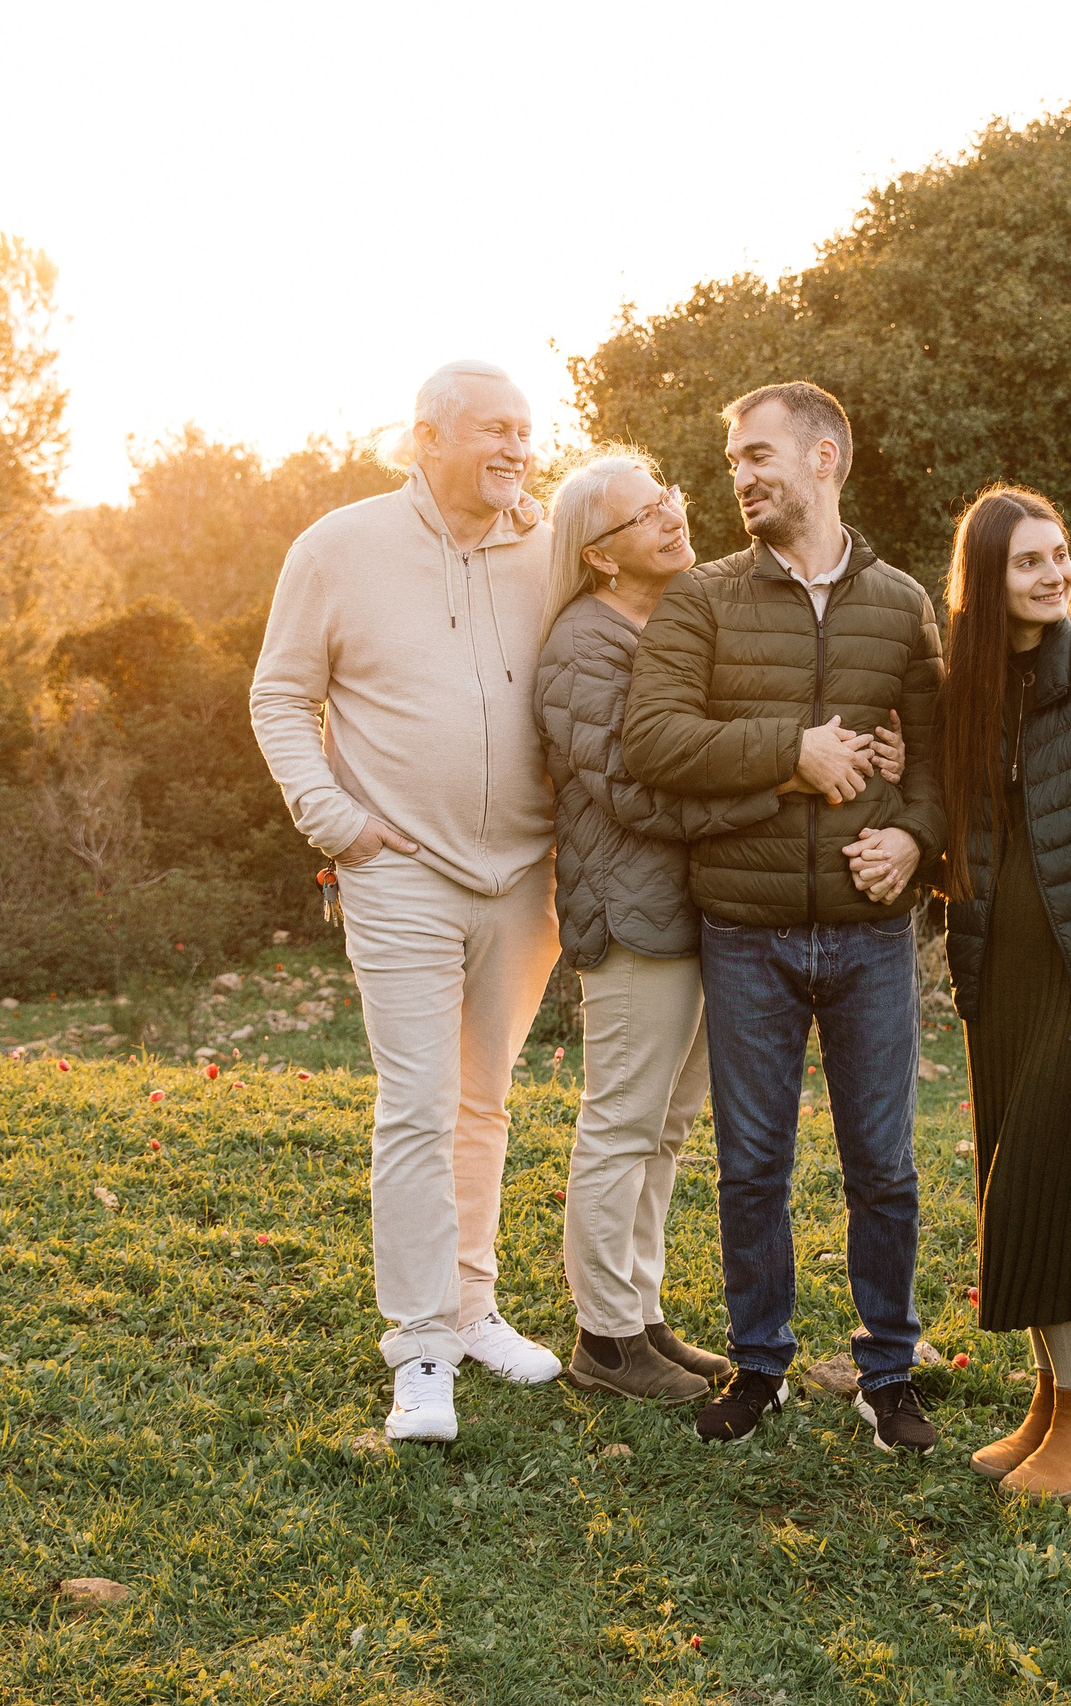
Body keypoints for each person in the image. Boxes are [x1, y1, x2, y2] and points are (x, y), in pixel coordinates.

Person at [535, 449, 902, 1403]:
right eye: (642, 514)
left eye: (667, 496)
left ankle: (640, 1315)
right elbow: (641, 796)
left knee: (665, 1127)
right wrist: (783, 783)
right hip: (632, 917)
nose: (671, 514)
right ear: (600, 557)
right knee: (620, 1122)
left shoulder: (672, 620)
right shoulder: (585, 645)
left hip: (696, 913)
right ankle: (603, 1338)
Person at [622, 381, 946, 1451]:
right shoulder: (702, 600)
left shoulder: (901, 603)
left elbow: (944, 758)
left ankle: (886, 1368)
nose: (741, 476)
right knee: (751, 1162)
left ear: (823, 458)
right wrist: (791, 754)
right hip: (747, 929)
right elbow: (654, 739)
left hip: (869, 933)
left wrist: (915, 840)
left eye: (758, 454)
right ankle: (759, 1364)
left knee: (883, 1165)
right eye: (731, 461)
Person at [251, 359, 568, 1445]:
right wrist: (338, 824)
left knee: (485, 1100)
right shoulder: (336, 547)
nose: (516, 448)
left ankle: (473, 1307)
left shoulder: (548, 547)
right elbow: (281, 695)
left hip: (527, 876)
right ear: (425, 436)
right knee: (419, 1103)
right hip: (400, 871)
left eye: (525, 431)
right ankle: (419, 1347)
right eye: (493, 428)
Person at [930, 487, 1071, 1499]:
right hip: (994, 960)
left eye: (1060, 554)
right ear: (987, 578)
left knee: (1042, 1182)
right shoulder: (967, 673)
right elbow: (953, 816)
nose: (1057, 573)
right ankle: (1052, 1393)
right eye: (1030, 561)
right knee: (1001, 1178)